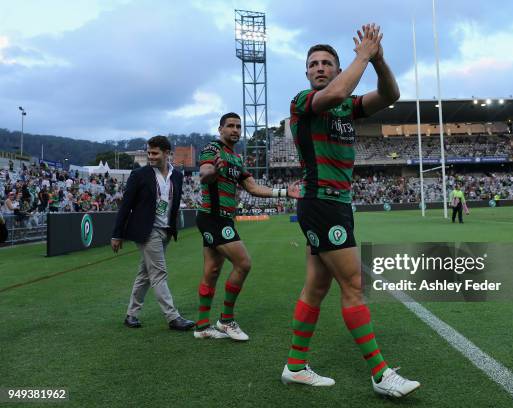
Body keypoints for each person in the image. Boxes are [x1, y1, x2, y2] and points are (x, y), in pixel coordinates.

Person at [281, 24, 420, 398]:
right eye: (314, 64)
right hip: (321, 202)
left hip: (336, 204)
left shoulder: (346, 106)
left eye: (327, 63)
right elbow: (340, 88)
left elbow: (391, 94)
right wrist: (361, 56)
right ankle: (380, 374)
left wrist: (378, 58)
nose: (320, 68)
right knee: (354, 285)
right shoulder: (302, 102)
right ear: (307, 72)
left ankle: (295, 366)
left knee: (317, 286)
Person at [194, 112, 300, 340]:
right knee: (243, 263)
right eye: (230, 126)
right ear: (220, 129)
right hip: (213, 217)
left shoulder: (236, 158)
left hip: (222, 218)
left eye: (238, 127)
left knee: (212, 271)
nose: (235, 130)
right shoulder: (212, 149)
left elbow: (252, 187)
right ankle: (226, 320)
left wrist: (284, 192)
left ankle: (202, 326)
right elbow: (205, 173)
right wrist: (211, 171)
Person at [111, 136, 194, 331]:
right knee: (159, 273)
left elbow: (172, 205)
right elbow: (126, 206)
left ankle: (131, 314)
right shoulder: (139, 174)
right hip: (147, 231)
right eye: (149, 153)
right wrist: (117, 234)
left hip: (165, 230)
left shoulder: (178, 176)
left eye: (154, 153)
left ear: (167, 154)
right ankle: (173, 317)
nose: (150, 157)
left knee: (145, 274)